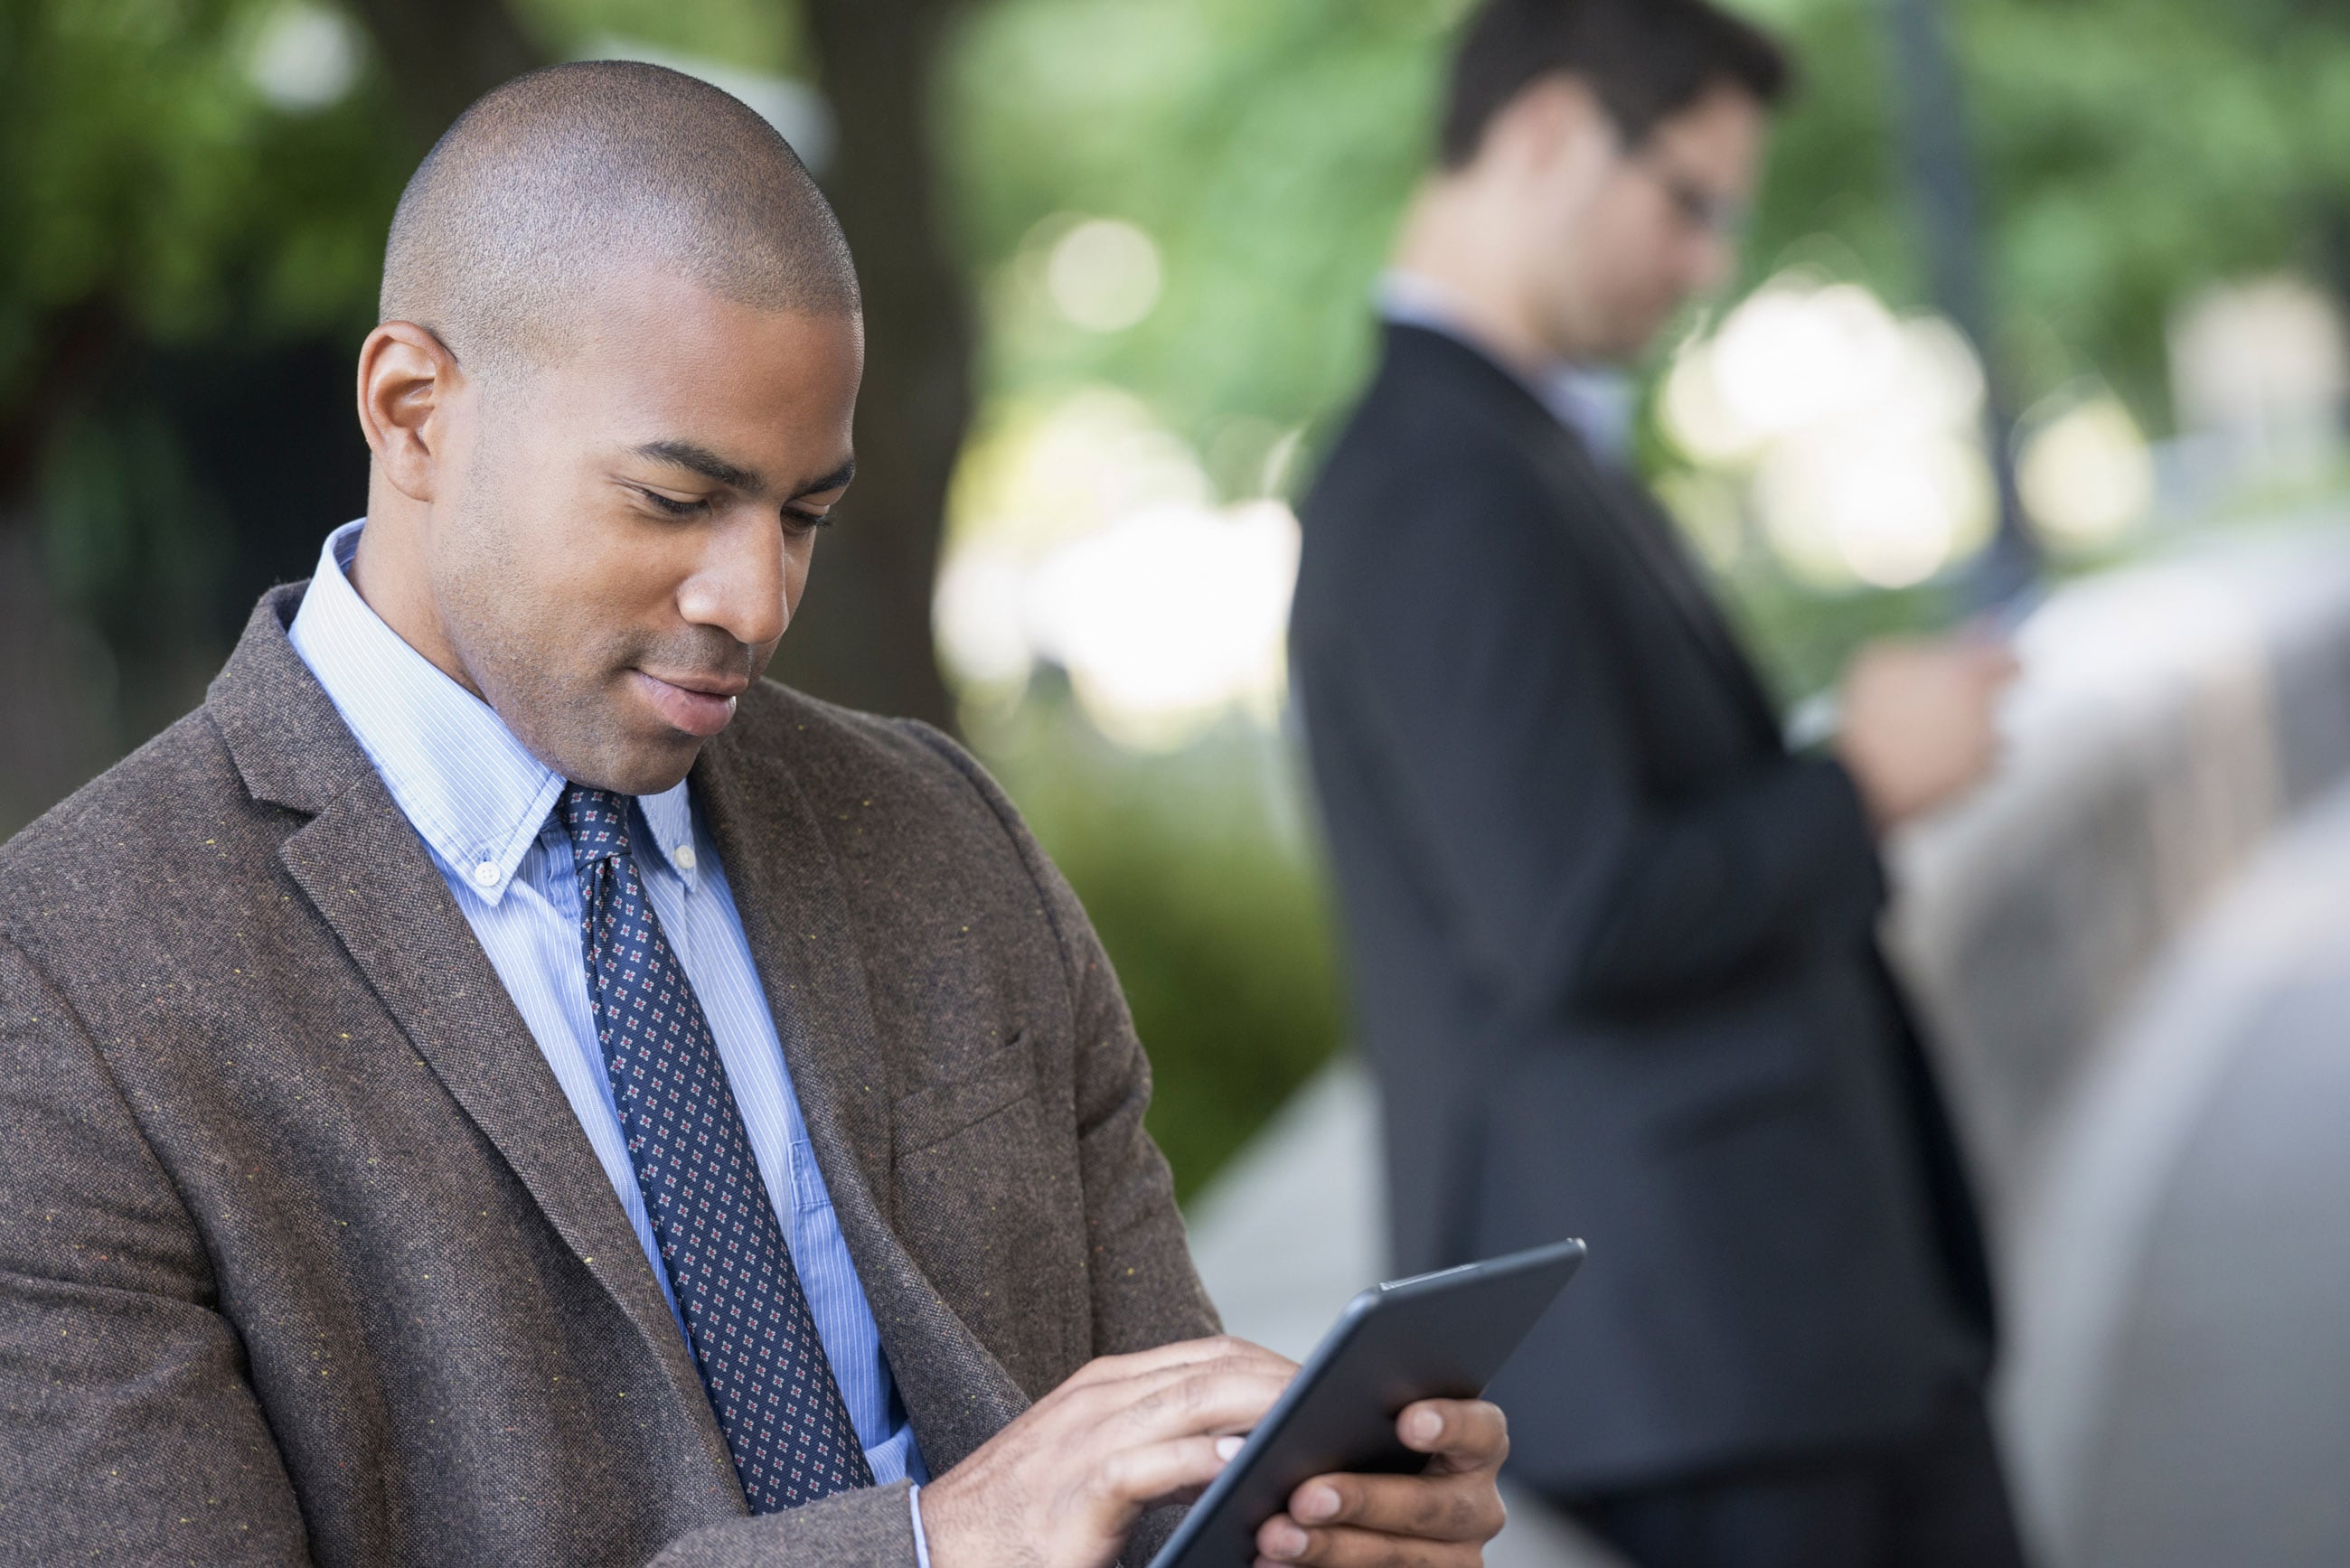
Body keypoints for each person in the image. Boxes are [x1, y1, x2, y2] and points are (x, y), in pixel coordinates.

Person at [0, 63, 1511, 1568]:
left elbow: (1151, 1467)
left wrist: (1307, 1520)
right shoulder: (65, 993)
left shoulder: (935, 829)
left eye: (804, 516)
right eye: (675, 499)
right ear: (413, 412)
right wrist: (925, 1545)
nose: (754, 599)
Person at [1287, 3, 2029, 1565]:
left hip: (1761, 1348)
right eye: (1688, 201)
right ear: (1552, 131)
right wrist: (1866, 783)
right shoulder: (1439, 477)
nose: (1705, 263)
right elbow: (1572, 914)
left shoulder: (1513, 449)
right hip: (1702, 1366)